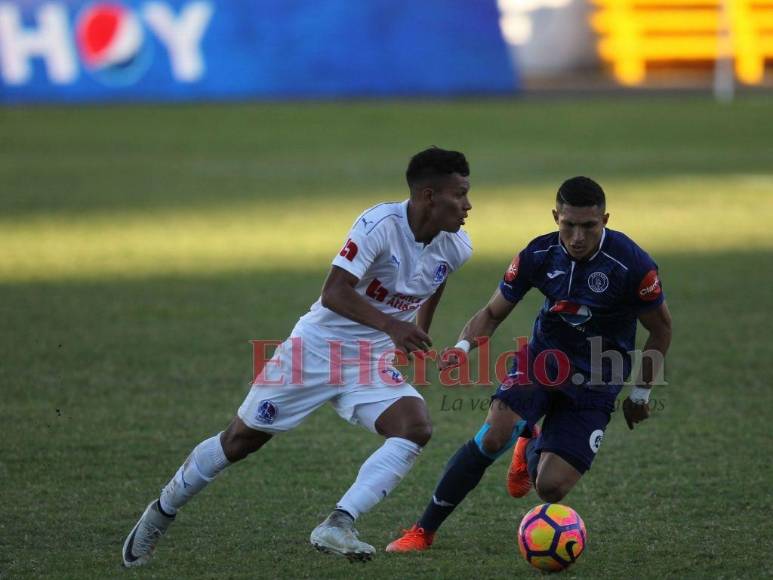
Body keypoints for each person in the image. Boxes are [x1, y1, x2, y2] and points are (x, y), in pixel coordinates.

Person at [121, 147, 473, 566]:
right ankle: (161, 511)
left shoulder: (457, 244)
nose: (468, 205)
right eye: (460, 195)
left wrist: (419, 330)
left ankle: (339, 522)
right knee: (240, 440)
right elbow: (334, 292)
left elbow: (435, 278)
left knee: (415, 426)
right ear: (429, 196)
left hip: (369, 361)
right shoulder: (378, 225)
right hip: (315, 351)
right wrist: (394, 326)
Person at [386, 176, 672, 552]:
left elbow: (661, 329)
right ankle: (423, 531)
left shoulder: (632, 265)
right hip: (543, 361)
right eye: (568, 224)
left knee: (550, 487)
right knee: (492, 434)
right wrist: (463, 346)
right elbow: (492, 312)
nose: (578, 236)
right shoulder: (538, 255)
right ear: (556, 217)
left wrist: (640, 392)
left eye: (589, 226)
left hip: (598, 381)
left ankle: (530, 442)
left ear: (605, 219)